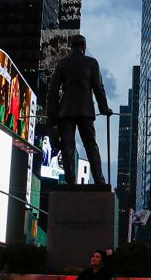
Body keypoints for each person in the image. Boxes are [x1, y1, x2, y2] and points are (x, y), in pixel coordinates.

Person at [45, 34, 114, 185]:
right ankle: (99, 181)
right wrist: (104, 108)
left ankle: (70, 181)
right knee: (91, 145)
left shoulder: (63, 64)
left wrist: (52, 115)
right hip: (85, 111)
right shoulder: (91, 63)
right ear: (84, 46)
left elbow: (53, 92)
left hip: (66, 111)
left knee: (67, 147)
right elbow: (98, 88)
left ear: (71, 46)